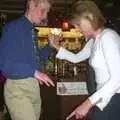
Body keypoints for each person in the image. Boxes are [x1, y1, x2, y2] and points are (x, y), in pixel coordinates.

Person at [48, 1, 120, 120]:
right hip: (102, 97)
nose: (76, 29)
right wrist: (56, 46)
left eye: (78, 24)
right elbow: (76, 58)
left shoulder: (108, 37)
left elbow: (118, 79)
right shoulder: (94, 40)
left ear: (90, 17)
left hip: (114, 98)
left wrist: (87, 104)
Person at [0, 0, 55, 120]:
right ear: (31, 4)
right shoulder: (13, 27)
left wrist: (50, 46)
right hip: (18, 88)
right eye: (43, 10)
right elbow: (4, 64)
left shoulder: (31, 30)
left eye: (47, 12)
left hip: (33, 87)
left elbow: (36, 58)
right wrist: (35, 72)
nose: (45, 16)